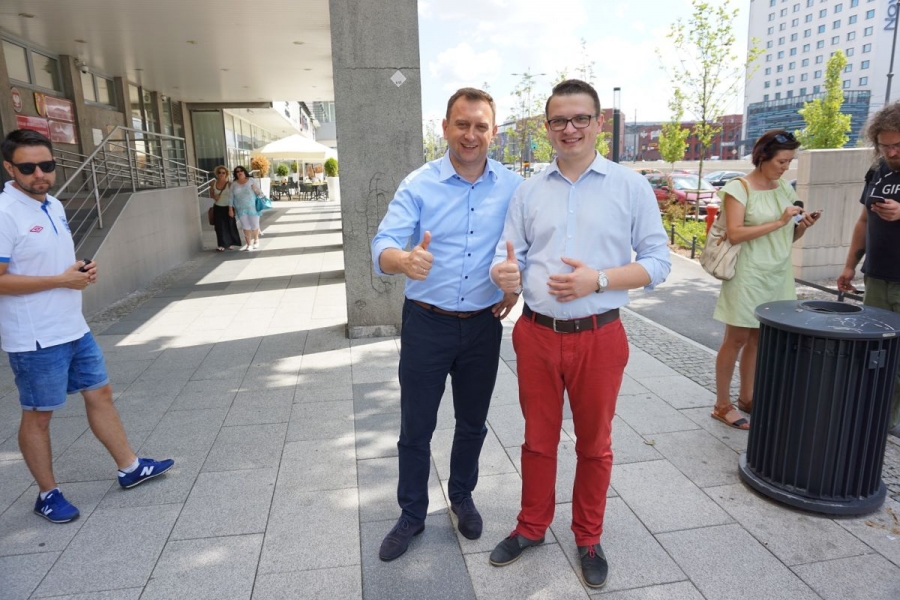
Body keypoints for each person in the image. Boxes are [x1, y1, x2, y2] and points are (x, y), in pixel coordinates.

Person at [487, 79, 671, 589]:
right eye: (559, 120)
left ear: (598, 123)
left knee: (595, 443)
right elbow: (509, 257)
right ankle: (531, 526)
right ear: (547, 127)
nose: (569, 128)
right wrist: (504, 275)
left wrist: (600, 279)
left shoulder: (629, 187)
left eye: (580, 118)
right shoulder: (528, 191)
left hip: (600, 335)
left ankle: (588, 535)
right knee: (537, 439)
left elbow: (658, 262)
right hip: (537, 334)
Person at [370, 87, 523, 562]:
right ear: (445, 128)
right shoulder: (419, 184)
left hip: (483, 325)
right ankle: (412, 513)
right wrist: (403, 260)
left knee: (472, 423)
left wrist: (515, 285)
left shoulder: (514, 187)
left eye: (480, 126)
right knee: (416, 426)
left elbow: (526, 246)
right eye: (462, 124)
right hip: (426, 324)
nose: (470, 134)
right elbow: (382, 245)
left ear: (493, 132)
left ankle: (461, 496)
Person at [0, 129, 174, 524]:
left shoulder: (54, 205)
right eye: (28, 168)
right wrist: (60, 280)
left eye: (47, 165)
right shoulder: (5, 212)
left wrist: (80, 270)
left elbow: (48, 263)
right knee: (39, 414)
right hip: (35, 335)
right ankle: (47, 495)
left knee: (101, 393)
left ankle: (130, 467)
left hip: (72, 326)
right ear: (10, 168)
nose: (40, 174)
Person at [712, 130, 820, 430]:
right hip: (747, 274)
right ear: (763, 157)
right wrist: (780, 221)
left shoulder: (783, 187)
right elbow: (735, 233)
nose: (786, 167)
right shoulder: (739, 188)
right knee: (735, 339)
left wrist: (802, 225)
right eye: (782, 161)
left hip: (777, 273)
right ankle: (722, 404)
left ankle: (747, 397)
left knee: (759, 339)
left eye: (789, 162)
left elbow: (788, 235)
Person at [838, 101, 900, 431]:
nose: (891, 152)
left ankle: (890, 423)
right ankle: (872, 413)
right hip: (876, 277)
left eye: (897, 145)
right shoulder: (878, 170)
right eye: (884, 145)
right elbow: (863, 221)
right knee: (874, 350)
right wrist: (850, 266)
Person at [209, 165, 242, 251]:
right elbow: (211, 193)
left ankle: (230, 243)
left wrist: (233, 208)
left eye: (223, 173)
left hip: (228, 207)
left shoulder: (230, 184)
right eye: (219, 172)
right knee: (219, 227)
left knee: (230, 225)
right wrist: (214, 196)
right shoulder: (213, 183)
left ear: (226, 174)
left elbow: (234, 196)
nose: (221, 174)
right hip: (218, 207)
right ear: (217, 174)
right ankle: (221, 244)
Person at [231, 165, 263, 251]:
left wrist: (254, 188)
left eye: (241, 170)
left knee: (255, 225)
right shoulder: (234, 184)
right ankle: (249, 244)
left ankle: (256, 240)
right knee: (245, 226)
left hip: (253, 207)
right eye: (237, 171)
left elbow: (260, 193)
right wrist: (230, 208)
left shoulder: (251, 180)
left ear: (244, 172)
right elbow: (231, 197)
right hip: (240, 209)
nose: (239, 172)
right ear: (235, 174)